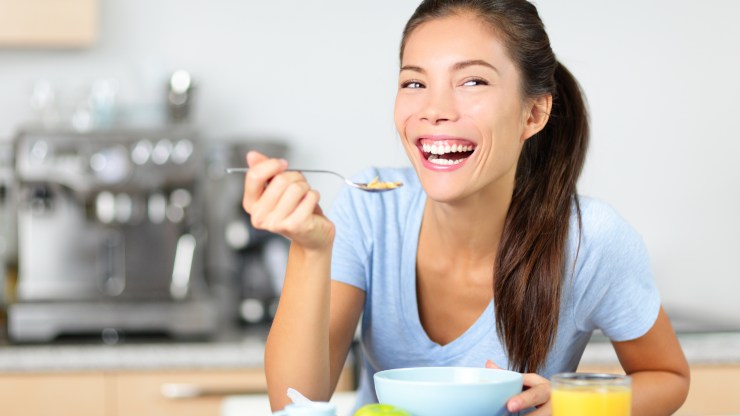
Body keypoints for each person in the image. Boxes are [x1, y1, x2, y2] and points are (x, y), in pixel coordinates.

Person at [241, 0, 690, 414]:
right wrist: (310, 249)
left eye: (472, 81)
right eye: (414, 82)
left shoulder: (590, 240)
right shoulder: (371, 208)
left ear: (533, 114)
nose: (434, 109)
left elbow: (667, 378)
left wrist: (571, 406)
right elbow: (296, 403)